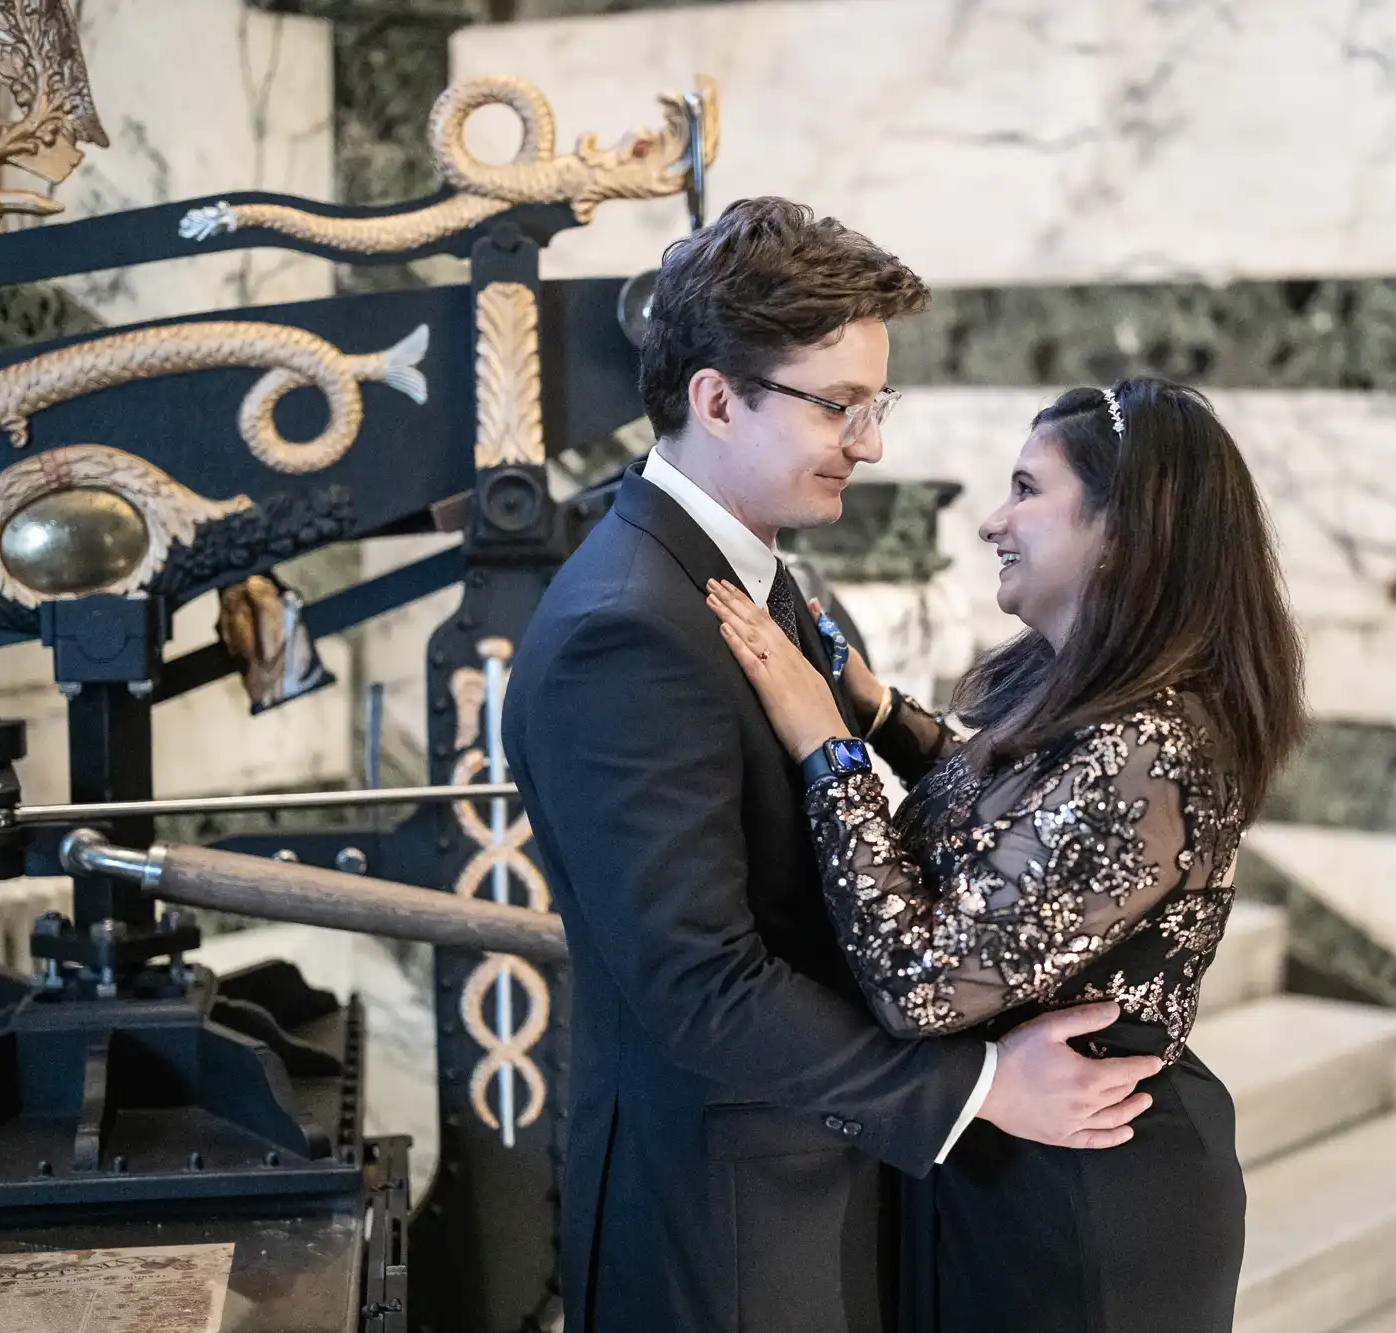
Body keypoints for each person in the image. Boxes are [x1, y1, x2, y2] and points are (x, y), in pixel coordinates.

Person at [501, 199, 1162, 1333]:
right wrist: (985, 1088)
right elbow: (697, 985)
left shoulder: (765, 581)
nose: (870, 440)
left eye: (875, 402)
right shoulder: (628, 629)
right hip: (727, 1219)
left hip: (816, 1168)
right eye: (839, 405)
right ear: (715, 398)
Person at [706, 375, 1307, 1333]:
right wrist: (880, 714)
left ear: (1125, 528)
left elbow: (924, 980)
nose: (993, 520)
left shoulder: (1153, 748)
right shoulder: (1101, 709)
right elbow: (1026, 837)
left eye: (1027, 489)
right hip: (1016, 1164)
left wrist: (828, 748)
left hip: (1090, 1203)